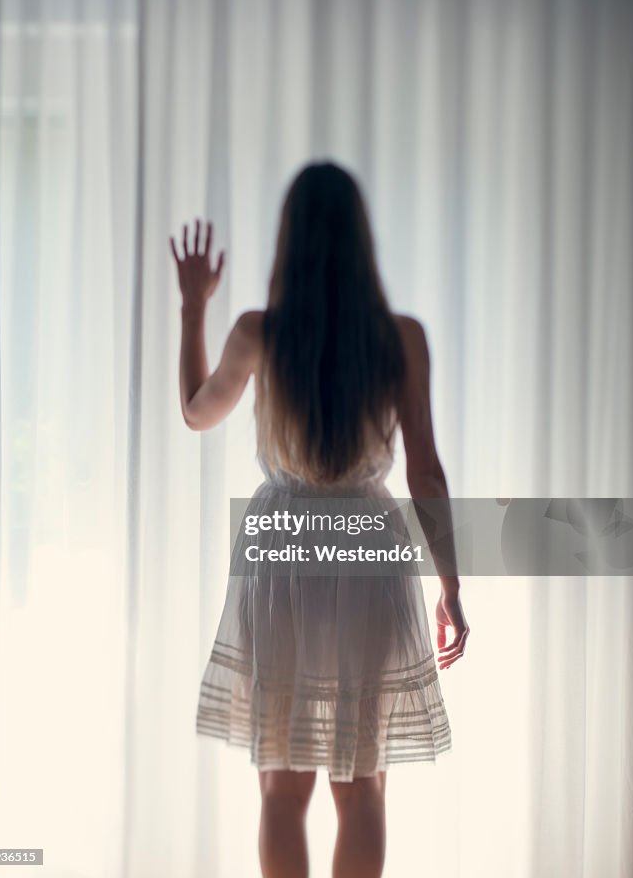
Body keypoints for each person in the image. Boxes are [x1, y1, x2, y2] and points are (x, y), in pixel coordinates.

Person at [169, 161, 470, 878]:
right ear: (361, 244)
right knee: (362, 781)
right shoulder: (401, 338)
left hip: (283, 549)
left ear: (289, 244)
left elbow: (195, 412)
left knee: (282, 780)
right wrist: (451, 586)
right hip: (370, 548)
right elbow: (426, 472)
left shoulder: (257, 333)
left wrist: (191, 308)